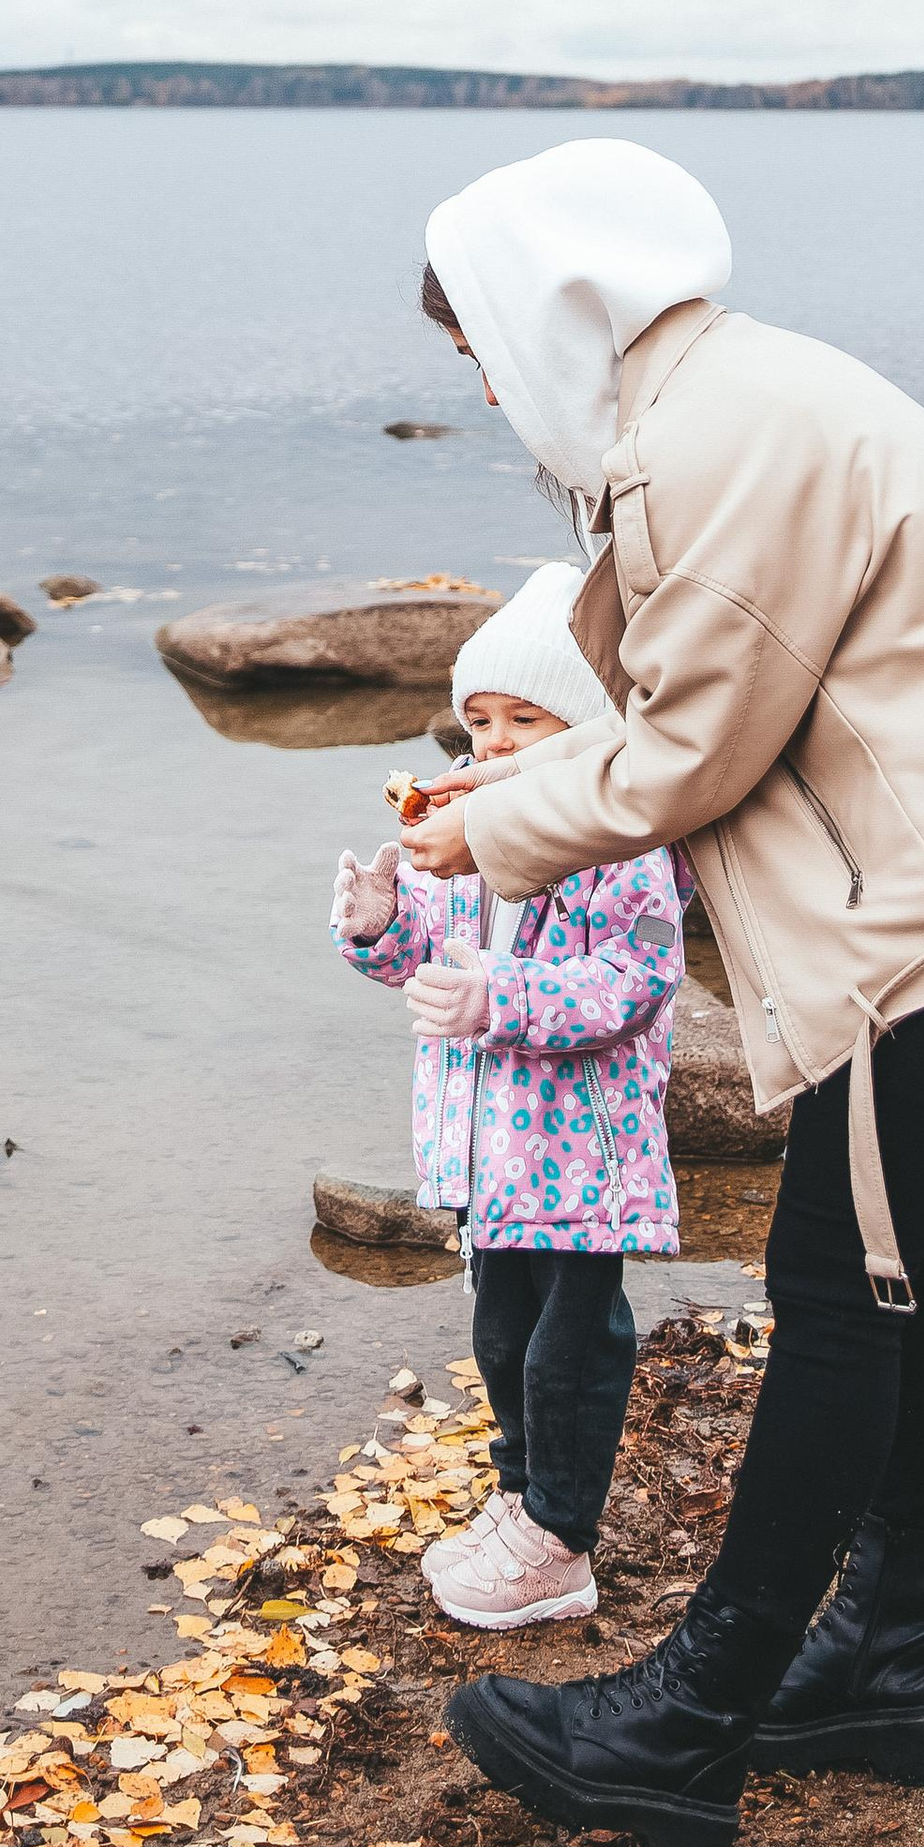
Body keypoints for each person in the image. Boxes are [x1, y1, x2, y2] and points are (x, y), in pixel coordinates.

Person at [397, 138, 924, 1847]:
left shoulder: (710, 436)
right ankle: (890, 1664)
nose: (479, 384)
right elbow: (714, 700)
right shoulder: (718, 400)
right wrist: (506, 812)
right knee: (919, 1252)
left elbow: (700, 745)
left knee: (844, 1281)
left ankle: (690, 1720)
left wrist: (493, 825)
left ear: (548, 309)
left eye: (475, 345)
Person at [331, 561, 684, 1630]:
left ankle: (563, 1541)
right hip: (488, 1162)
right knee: (499, 1339)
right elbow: (421, 966)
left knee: (568, 1349)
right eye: (477, 719)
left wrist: (499, 998)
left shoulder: (620, 850)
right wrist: (378, 918)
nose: (491, 742)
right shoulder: (470, 850)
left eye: (525, 719)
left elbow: (633, 982)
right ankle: (522, 1498)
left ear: (584, 733)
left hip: (581, 1160)